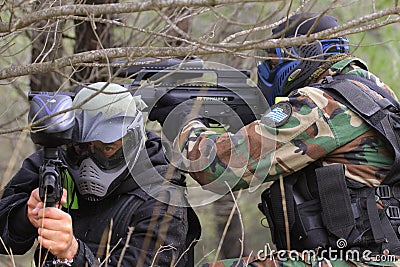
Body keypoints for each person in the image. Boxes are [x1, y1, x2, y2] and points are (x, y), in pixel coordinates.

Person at [149, 12, 400, 265]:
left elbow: (213, 167)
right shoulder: (371, 93)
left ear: (302, 53)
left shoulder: (320, 104)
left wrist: (184, 120)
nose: (265, 69)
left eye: (272, 59)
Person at [0, 82, 200, 266]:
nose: (89, 163)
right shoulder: (56, 162)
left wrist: (73, 253)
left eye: (107, 149)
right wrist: (26, 217)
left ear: (132, 141)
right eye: (81, 148)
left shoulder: (161, 193)